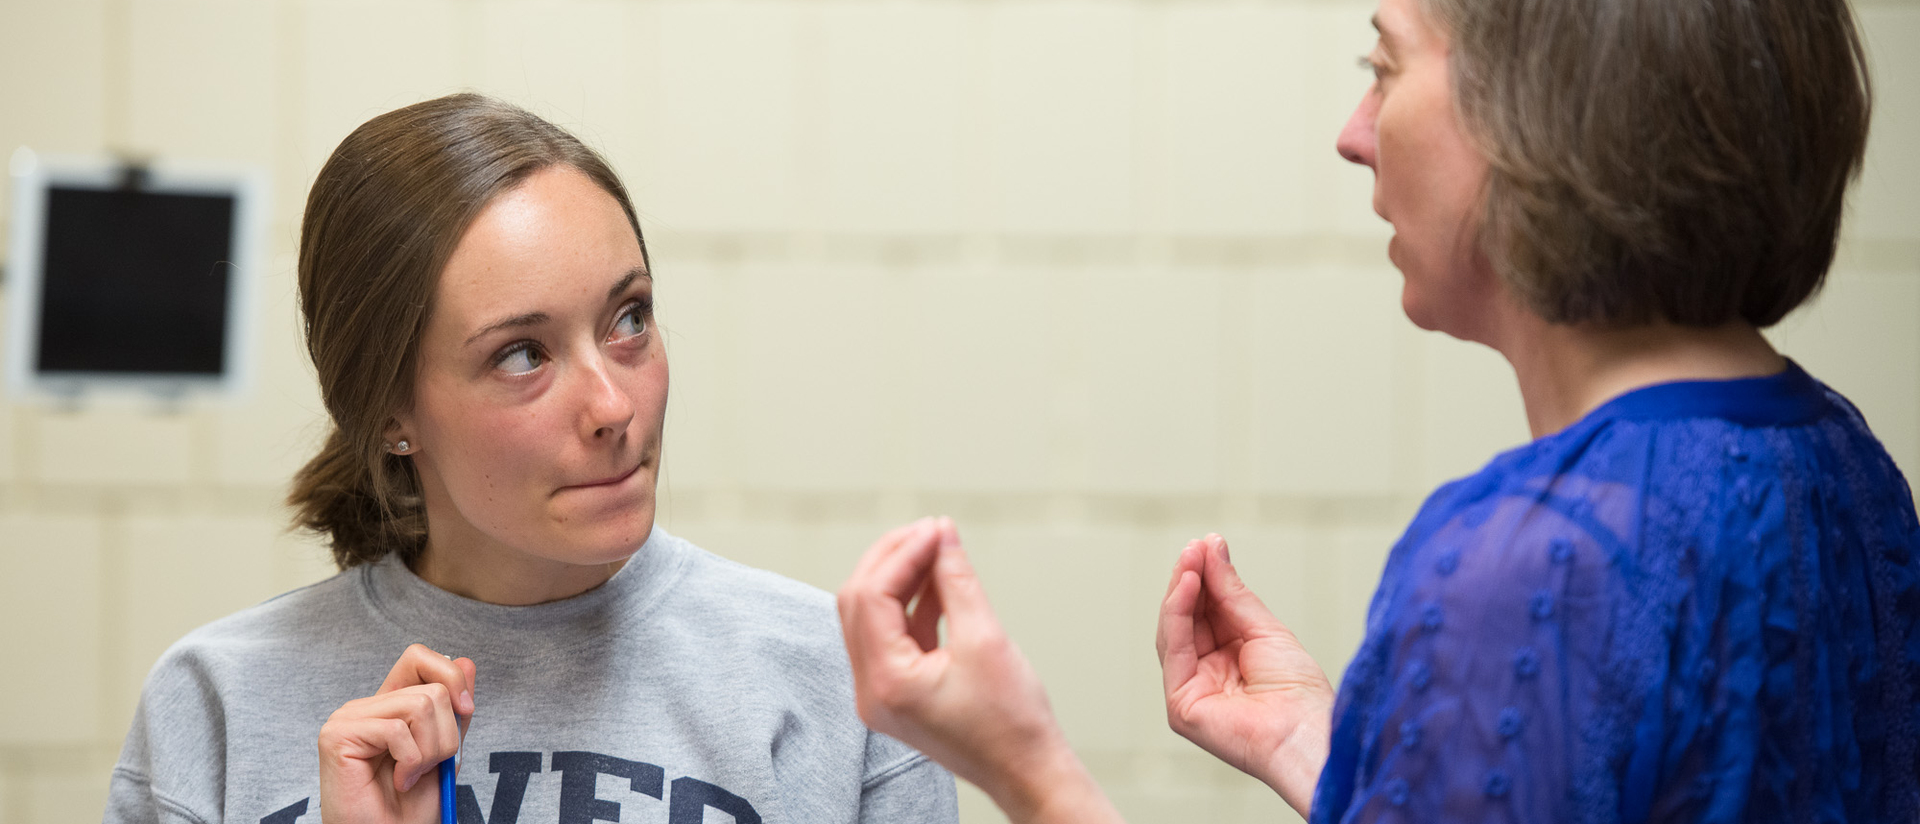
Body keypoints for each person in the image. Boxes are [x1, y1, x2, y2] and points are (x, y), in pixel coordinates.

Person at [838, 0, 1920, 820]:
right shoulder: (1845, 466)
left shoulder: (1527, 560)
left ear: (1535, 121)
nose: (1355, 133)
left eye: (1383, 68)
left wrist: (1026, 766)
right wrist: (1335, 747)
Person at [104, 94, 958, 824]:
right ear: (392, 411)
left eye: (630, 318)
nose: (614, 408)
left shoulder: (840, 687)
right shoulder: (215, 704)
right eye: (522, 355)